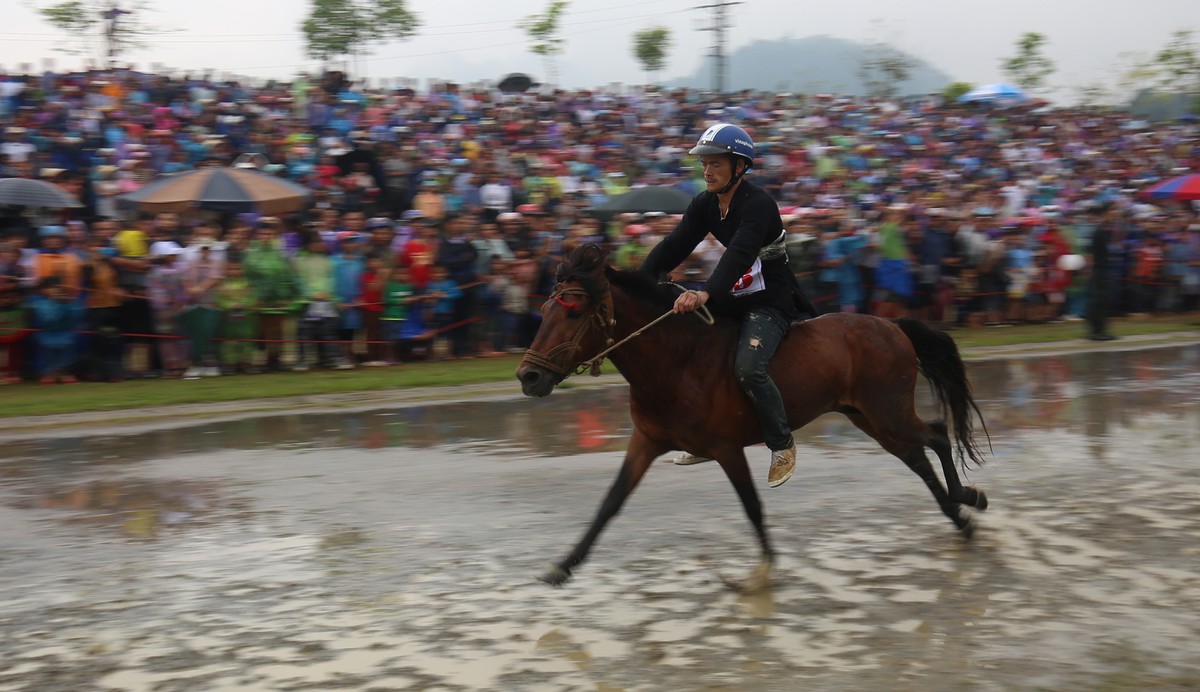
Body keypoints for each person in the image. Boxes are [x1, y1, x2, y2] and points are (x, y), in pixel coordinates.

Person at [640, 123, 814, 488]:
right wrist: (638, 280)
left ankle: (782, 444)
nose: (707, 171)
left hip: (771, 299)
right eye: (704, 164)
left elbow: (739, 254)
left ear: (740, 166)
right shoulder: (704, 203)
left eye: (716, 164)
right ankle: (705, 437)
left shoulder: (760, 205)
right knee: (689, 349)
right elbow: (675, 244)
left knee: (749, 369)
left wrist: (705, 293)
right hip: (734, 296)